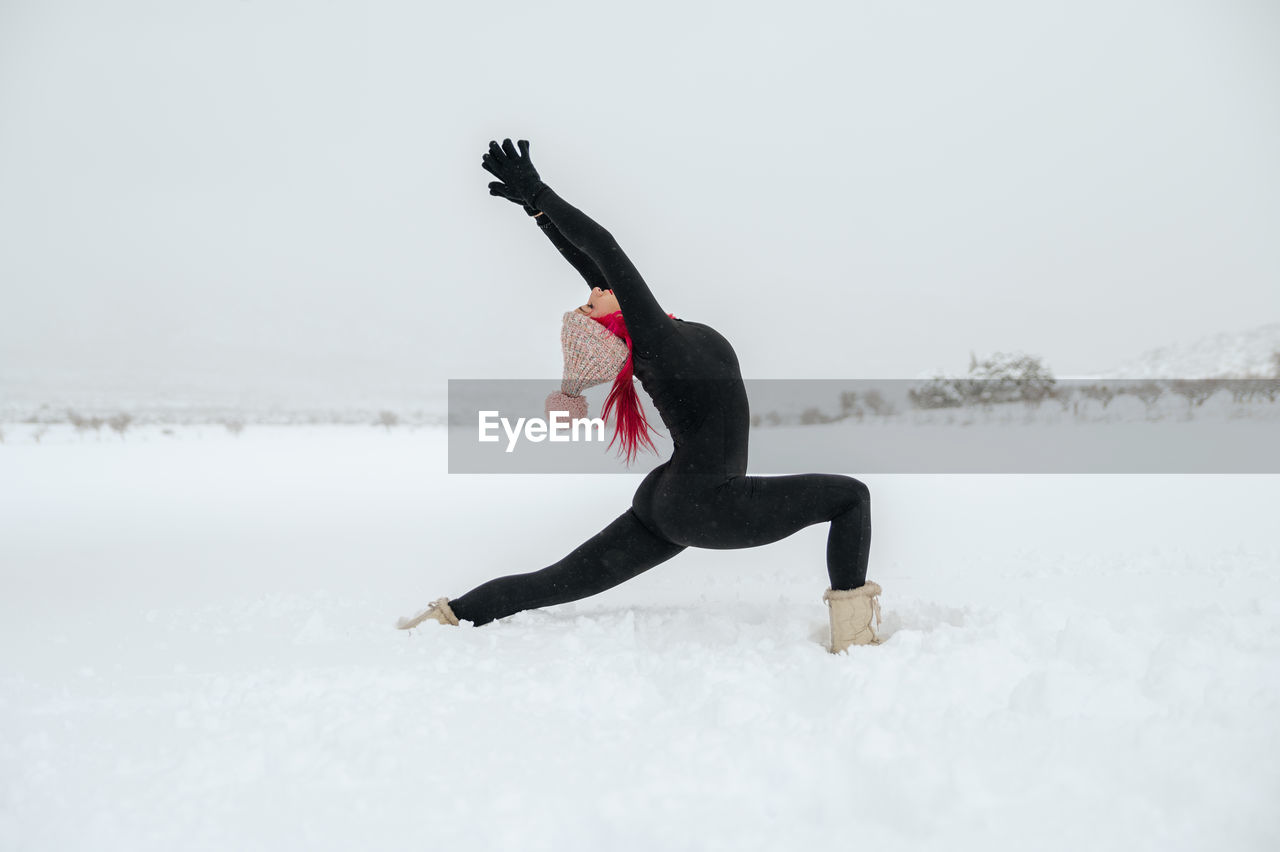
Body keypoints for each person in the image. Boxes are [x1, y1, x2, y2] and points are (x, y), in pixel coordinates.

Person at [397, 139, 882, 652]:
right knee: (850, 497)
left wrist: (537, 212)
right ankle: (854, 638)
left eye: (590, 295)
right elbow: (602, 246)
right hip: (707, 501)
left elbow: (588, 259)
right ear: (609, 326)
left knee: (553, 581)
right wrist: (539, 190)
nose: (593, 290)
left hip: (669, 500)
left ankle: (444, 621)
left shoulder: (660, 335)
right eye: (589, 305)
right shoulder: (656, 344)